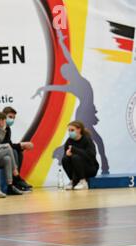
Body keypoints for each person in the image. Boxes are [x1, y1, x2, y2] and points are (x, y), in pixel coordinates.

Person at [32, 29, 109, 174]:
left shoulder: (76, 81)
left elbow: (68, 57)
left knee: (95, 139)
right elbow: (54, 86)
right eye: (65, 73)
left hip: (86, 111)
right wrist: (42, 88)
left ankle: (102, 163)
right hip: (83, 113)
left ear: (69, 72)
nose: (66, 74)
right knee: (94, 139)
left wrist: (61, 42)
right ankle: (98, 164)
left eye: (66, 72)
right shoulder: (73, 84)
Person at [2, 106, 33, 191]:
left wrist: (21, 146)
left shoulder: (7, 128)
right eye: (10, 117)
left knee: (19, 151)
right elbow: (5, 145)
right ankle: (16, 180)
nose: (12, 120)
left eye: (13, 118)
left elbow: (9, 144)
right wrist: (21, 145)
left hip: (5, 150)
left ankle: (17, 179)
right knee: (14, 151)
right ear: (3, 116)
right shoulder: (0, 127)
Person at [62, 120, 99, 190]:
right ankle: (73, 181)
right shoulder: (69, 141)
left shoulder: (86, 139)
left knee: (76, 157)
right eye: (69, 130)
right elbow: (65, 156)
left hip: (90, 168)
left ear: (79, 130)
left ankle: (83, 181)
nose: (70, 132)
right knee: (65, 159)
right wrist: (67, 155)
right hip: (76, 170)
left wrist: (74, 150)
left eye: (72, 130)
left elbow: (91, 156)